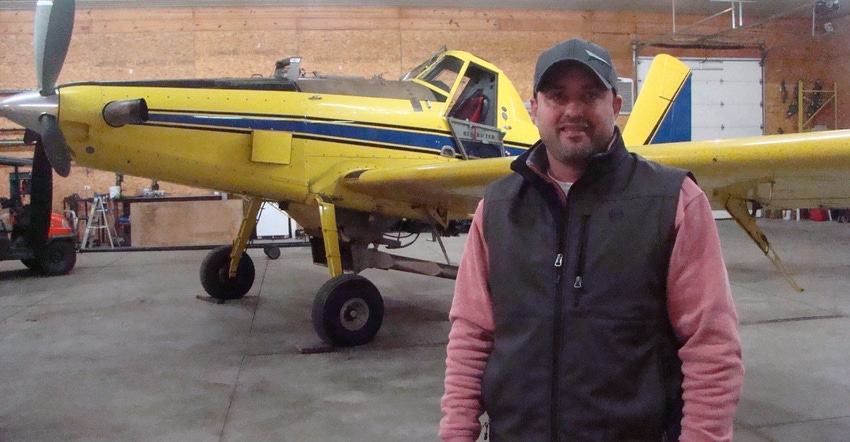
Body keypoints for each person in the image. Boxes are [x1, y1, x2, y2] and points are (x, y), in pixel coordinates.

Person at [440, 39, 744, 441]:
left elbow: (712, 349)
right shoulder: (496, 207)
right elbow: (471, 336)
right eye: (557, 96)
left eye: (590, 95)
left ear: (615, 106)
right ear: (534, 109)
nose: (573, 111)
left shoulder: (675, 202)